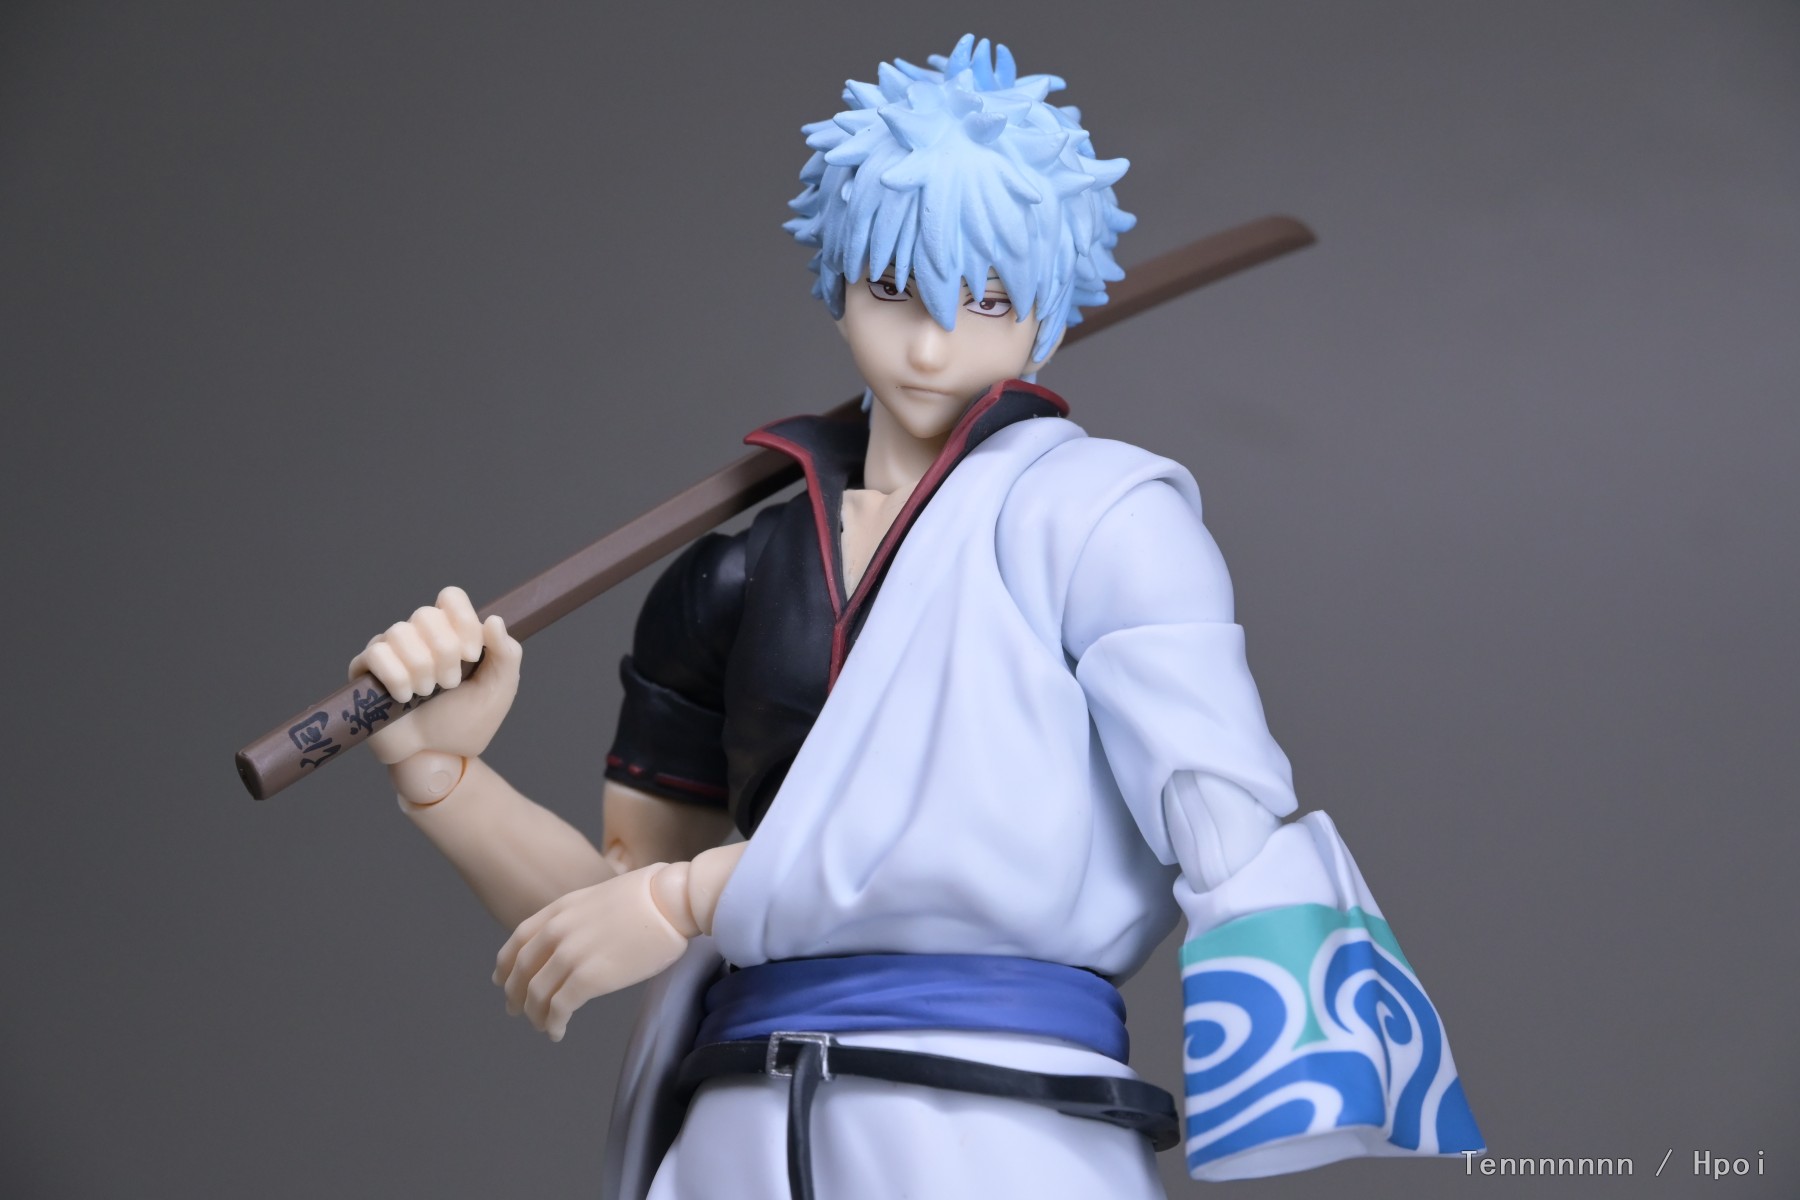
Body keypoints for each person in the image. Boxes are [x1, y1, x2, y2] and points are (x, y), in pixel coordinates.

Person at [349, 35, 1482, 1200]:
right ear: (838, 285)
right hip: (741, 1123)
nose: (934, 344)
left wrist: (683, 898)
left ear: (1048, 310)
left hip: (995, 1108)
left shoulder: (1100, 522)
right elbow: (605, 918)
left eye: (988, 300)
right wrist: (446, 778)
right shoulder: (738, 577)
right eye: (894, 289)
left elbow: (1136, 819)